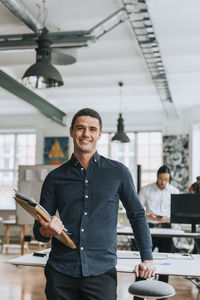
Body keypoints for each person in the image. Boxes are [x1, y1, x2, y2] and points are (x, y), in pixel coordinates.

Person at [33, 108, 155, 300]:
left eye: (92, 129)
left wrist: (147, 258)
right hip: (60, 272)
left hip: (101, 272)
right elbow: (38, 231)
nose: (86, 134)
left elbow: (137, 215)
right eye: (80, 128)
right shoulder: (54, 178)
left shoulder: (119, 172)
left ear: (99, 134)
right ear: (72, 131)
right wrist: (47, 230)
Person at [138, 165, 179, 292]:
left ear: (169, 178)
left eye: (166, 179)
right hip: (149, 228)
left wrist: (167, 219)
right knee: (144, 260)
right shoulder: (146, 190)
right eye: (161, 178)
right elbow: (137, 211)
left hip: (166, 229)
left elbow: (177, 214)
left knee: (165, 262)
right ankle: (138, 293)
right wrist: (149, 215)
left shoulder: (174, 191)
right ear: (157, 176)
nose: (163, 182)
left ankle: (162, 295)